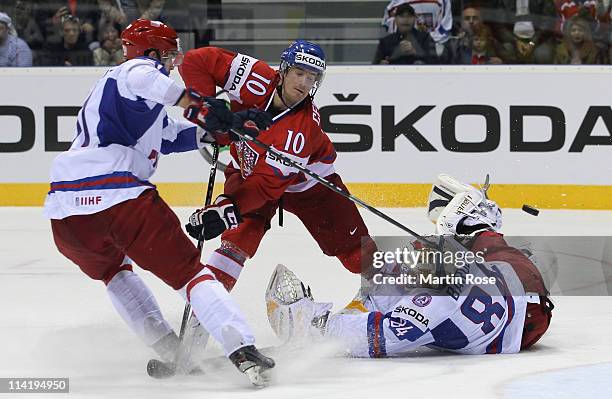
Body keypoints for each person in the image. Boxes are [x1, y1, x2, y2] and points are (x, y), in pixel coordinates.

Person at [43, 19, 274, 386]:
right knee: (191, 275)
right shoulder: (135, 70)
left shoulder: (128, 101)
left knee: (114, 272)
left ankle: (171, 350)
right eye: (167, 54)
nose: (172, 61)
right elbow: (154, 82)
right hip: (119, 199)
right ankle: (242, 348)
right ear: (151, 52)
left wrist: (224, 128)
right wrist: (204, 108)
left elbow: (170, 137)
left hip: (67, 216)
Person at [266, 174, 553, 357]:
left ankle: (475, 225)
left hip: (522, 319)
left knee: (390, 279)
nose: (417, 258)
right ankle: (363, 303)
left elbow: (376, 337)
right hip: (525, 304)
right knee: (390, 275)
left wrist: (317, 325)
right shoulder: (456, 276)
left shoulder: (430, 304)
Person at [179, 40, 378, 292]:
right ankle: (205, 309)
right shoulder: (254, 77)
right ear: (283, 71)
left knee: (357, 254)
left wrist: (224, 210)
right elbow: (197, 59)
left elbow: (263, 187)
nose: (305, 83)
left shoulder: (301, 131)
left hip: (311, 188)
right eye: (299, 73)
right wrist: (208, 108)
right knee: (236, 241)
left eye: (312, 77)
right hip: (248, 170)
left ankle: (408, 294)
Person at [373, 3, 438, 64]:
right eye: (402, 16)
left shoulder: (425, 38)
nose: (406, 19)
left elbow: (436, 64)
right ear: (395, 19)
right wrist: (382, 65)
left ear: (415, 19)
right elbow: (373, 67)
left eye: (409, 16)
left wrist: (415, 53)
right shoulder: (385, 42)